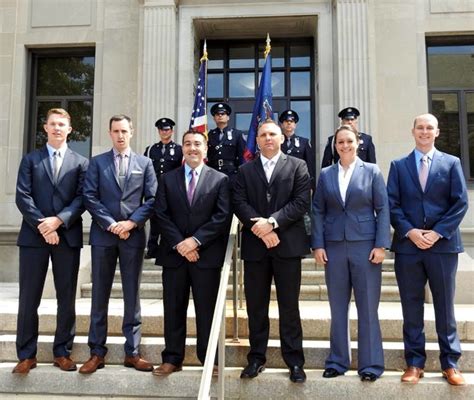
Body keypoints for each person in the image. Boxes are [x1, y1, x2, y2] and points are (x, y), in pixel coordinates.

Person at [387, 113, 468, 386]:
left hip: (442, 246)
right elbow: (392, 204)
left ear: (437, 132)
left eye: (429, 128)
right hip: (409, 247)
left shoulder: (451, 163)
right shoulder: (398, 166)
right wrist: (410, 231)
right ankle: (414, 363)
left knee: (445, 306)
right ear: (413, 132)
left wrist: (436, 232)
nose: (424, 132)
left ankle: (451, 363)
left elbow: (460, 203)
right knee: (411, 307)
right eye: (420, 127)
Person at [233, 120, 311, 383]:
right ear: (257, 140)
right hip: (256, 248)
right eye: (263, 135)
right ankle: (256, 358)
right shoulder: (245, 170)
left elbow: (301, 202)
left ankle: (295, 362)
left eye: (272, 134)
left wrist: (272, 223)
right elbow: (239, 202)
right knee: (256, 306)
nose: (268, 138)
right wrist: (260, 228)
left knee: (289, 307)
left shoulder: (298, 165)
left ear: (281, 139)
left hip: (287, 246)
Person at [311, 124, 390, 382]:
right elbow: (318, 211)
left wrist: (381, 245)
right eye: (339, 142)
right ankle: (337, 360)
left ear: (358, 143)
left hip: (365, 247)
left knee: (367, 307)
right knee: (337, 306)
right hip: (333, 246)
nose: (344, 146)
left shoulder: (372, 171)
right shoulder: (326, 173)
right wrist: (318, 244)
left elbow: (383, 209)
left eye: (348, 141)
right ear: (335, 146)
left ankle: (371, 364)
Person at [80, 114, 157, 374]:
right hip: (104, 236)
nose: (120, 135)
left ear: (131, 132)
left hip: (132, 237)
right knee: (99, 294)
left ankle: (132, 352)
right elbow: (89, 196)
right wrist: (111, 223)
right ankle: (96, 352)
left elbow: (152, 199)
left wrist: (131, 223)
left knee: (131, 294)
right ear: (110, 133)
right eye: (115, 131)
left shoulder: (145, 163)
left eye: (124, 130)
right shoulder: (97, 163)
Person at [13, 108, 89, 373]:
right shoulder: (30, 160)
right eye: (53, 124)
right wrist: (43, 225)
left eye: (62, 125)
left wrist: (58, 221)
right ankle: (26, 355)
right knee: (28, 297)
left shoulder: (81, 162)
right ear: (45, 128)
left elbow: (82, 199)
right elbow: (22, 196)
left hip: (66, 236)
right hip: (33, 238)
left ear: (70, 130)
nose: (57, 128)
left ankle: (62, 352)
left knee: (66, 297)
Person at [152, 130, 230, 376]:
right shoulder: (167, 179)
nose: (192, 148)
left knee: (206, 310)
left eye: (197, 144)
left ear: (206, 149)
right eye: (187, 144)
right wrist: (181, 244)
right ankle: (173, 358)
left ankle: (209, 359)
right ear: (182, 148)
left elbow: (221, 217)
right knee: (173, 308)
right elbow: (161, 215)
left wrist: (195, 242)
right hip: (175, 256)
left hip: (205, 257)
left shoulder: (220, 180)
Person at [144, 117, 183, 259]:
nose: (164, 132)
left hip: (172, 190)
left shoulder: (179, 149)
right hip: (155, 190)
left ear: (171, 131)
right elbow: (145, 171)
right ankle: (152, 248)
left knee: (171, 219)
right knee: (154, 219)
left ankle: (171, 246)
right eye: (161, 129)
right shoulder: (151, 150)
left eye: (167, 129)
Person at [207, 102, 245, 185]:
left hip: (231, 174)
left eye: (223, 114)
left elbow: (242, 157)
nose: (220, 116)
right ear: (214, 118)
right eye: (217, 114)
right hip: (213, 174)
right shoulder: (209, 135)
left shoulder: (237, 134)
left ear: (228, 117)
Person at [279, 109, 315, 189]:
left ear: (295, 125)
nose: (289, 123)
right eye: (286, 121)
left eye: (291, 121)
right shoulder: (277, 142)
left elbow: (309, 166)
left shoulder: (304, 142)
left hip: (298, 182)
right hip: (280, 182)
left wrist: (311, 186)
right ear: (281, 125)